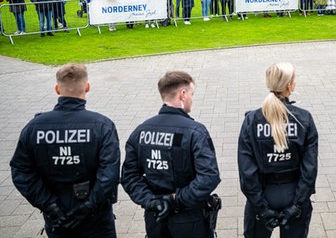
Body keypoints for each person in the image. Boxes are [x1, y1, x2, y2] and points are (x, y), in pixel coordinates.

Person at [10, 63, 120, 238]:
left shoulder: (34, 127)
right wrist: (90, 205)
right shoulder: (102, 125)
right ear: (87, 87)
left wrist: (50, 205)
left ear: (57, 89)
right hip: (95, 217)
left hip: (57, 215)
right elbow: (110, 173)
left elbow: (21, 171)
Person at [121, 70, 221, 238]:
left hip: (155, 217)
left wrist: (151, 201)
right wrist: (174, 199)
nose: (191, 99)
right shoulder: (195, 131)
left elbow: (129, 176)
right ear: (182, 94)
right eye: (191, 94)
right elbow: (209, 177)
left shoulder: (141, 131)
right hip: (190, 219)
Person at [238, 62, 318, 238]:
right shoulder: (304, 119)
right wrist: (298, 205)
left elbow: (246, 170)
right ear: (289, 86)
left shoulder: (252, 120)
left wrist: (261, 207)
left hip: (262, 193)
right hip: (294, 192)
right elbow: (310, 169)